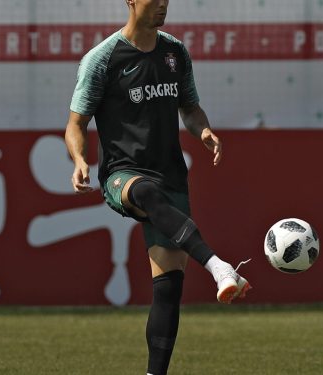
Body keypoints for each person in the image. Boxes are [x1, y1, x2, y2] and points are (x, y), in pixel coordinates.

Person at [64, 0, 251, 373]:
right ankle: (219, 268)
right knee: (146, 193)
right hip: (123, 173)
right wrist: (81, 160)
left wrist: (205, 130)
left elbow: (190, 108)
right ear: (131, 1)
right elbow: (75, 124)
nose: (163, 4)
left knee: (168, 288)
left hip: (171, 174)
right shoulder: (102, 59)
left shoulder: (175, 52)